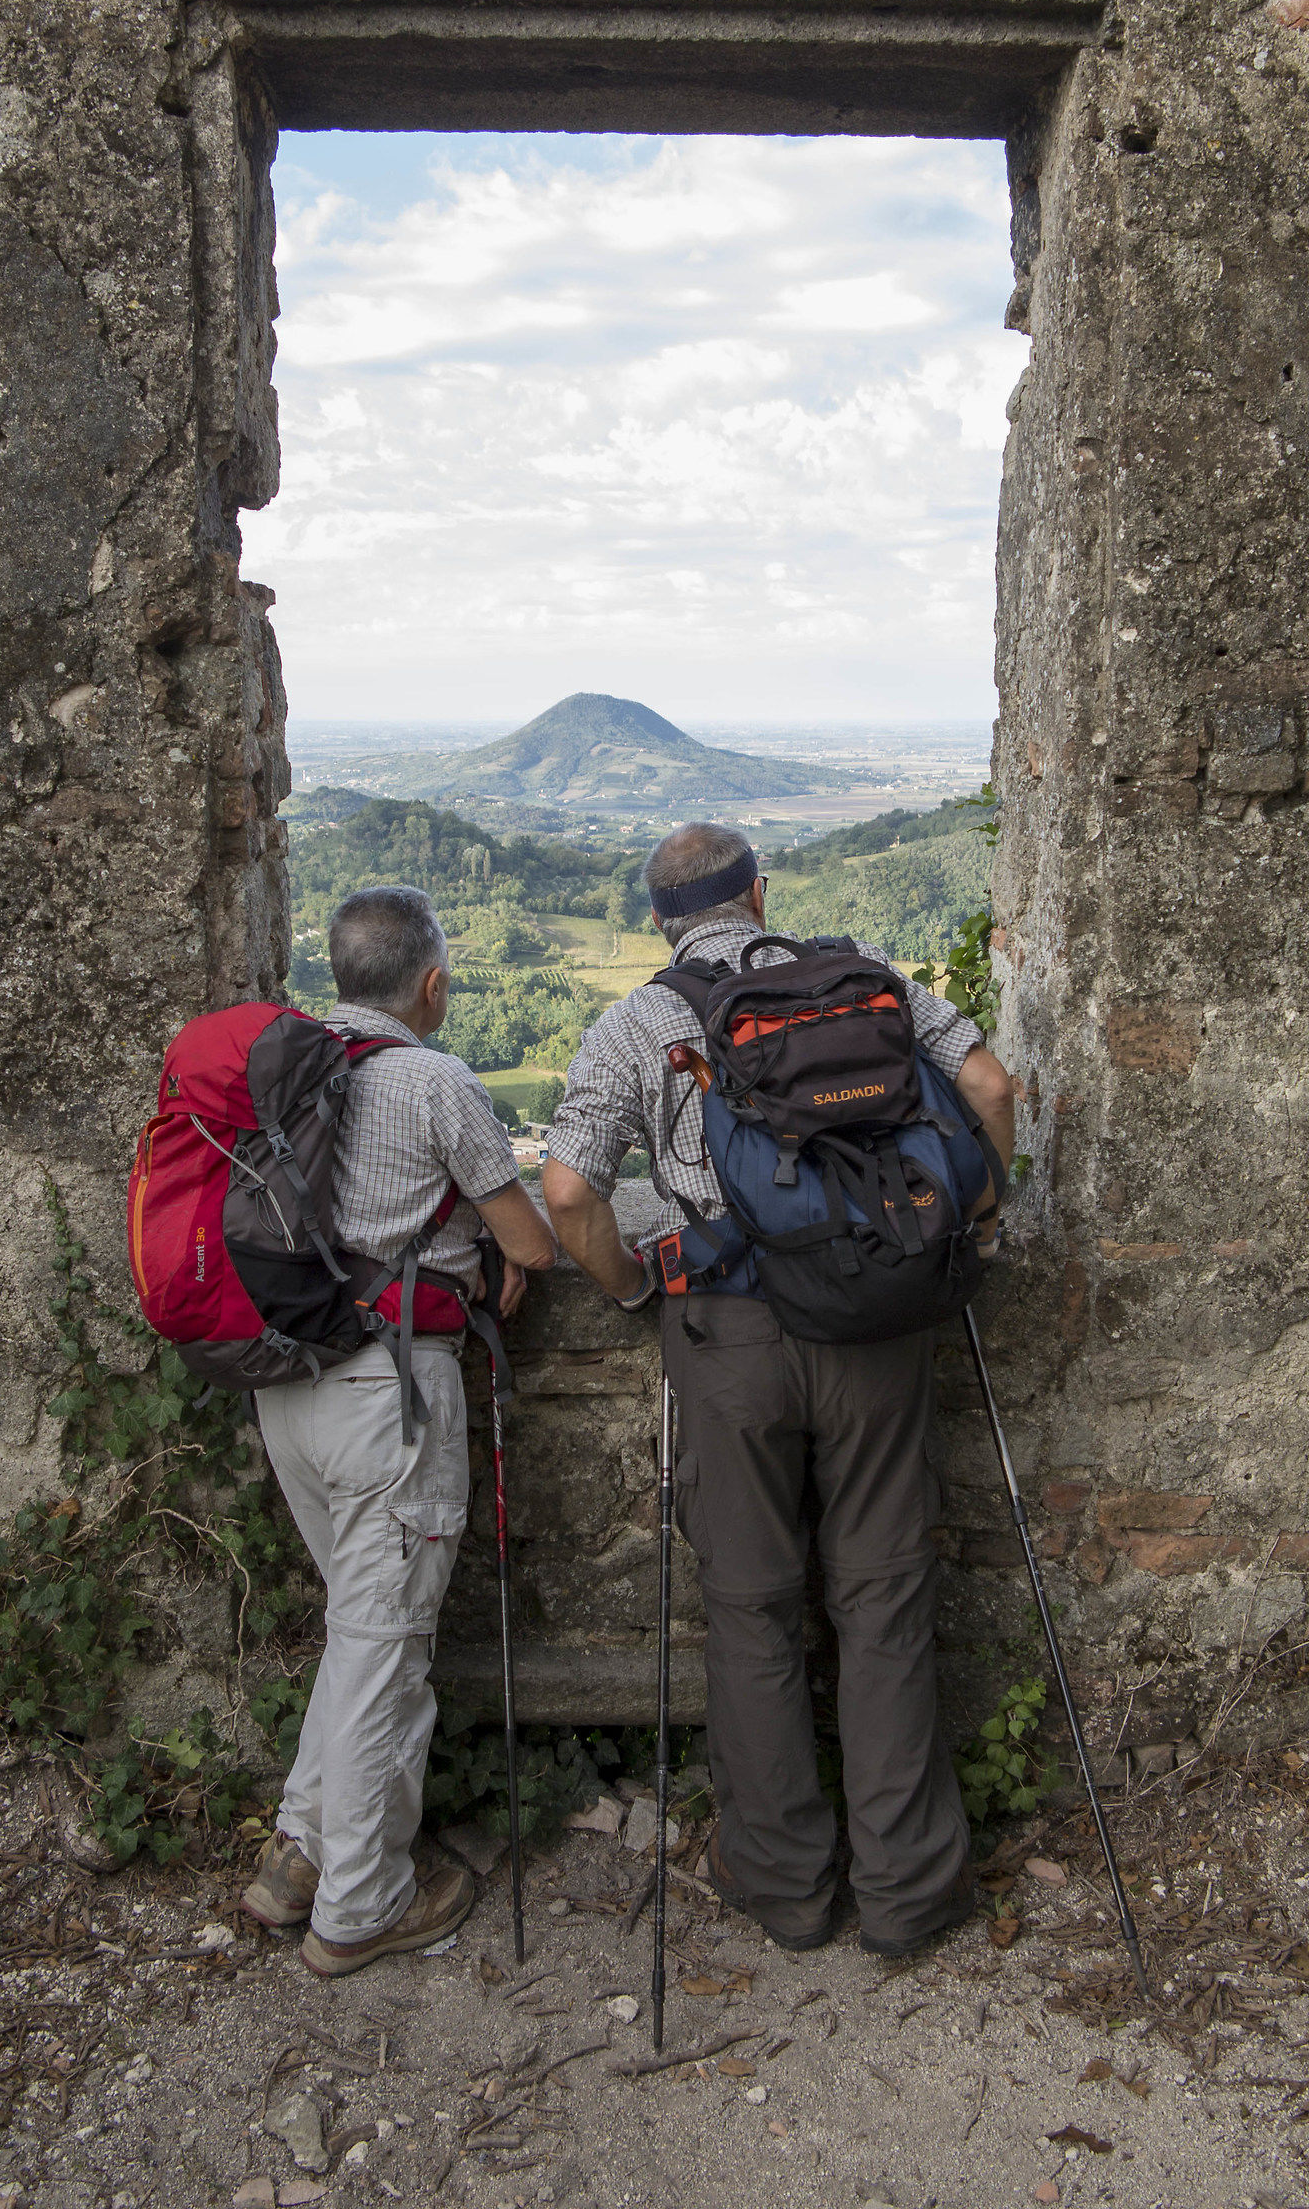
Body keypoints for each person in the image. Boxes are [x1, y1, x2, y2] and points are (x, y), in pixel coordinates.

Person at [542, 823, 1015, 1958]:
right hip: (875, 1328)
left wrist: (622, 1289)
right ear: (761, 895)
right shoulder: (865, 977)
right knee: (886, 1598)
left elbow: (565, 1192)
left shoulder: (638, 1023)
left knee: (751, 1607)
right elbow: (990, 1082)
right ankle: (907, 1890)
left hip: (728, 1339)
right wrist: (981, 1224)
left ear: (659, 921)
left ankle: (785, 1881)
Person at [242, 885, 558, 1977]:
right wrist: (498, 1242)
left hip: (287, 1382)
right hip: (393, 1393)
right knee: (388, 1647)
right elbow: (537, 1240)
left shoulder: (283, 1071)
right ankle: (363, 1906)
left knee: (360, 1629)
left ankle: (300, 1853)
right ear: (432, 984)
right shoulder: (434, 1080)